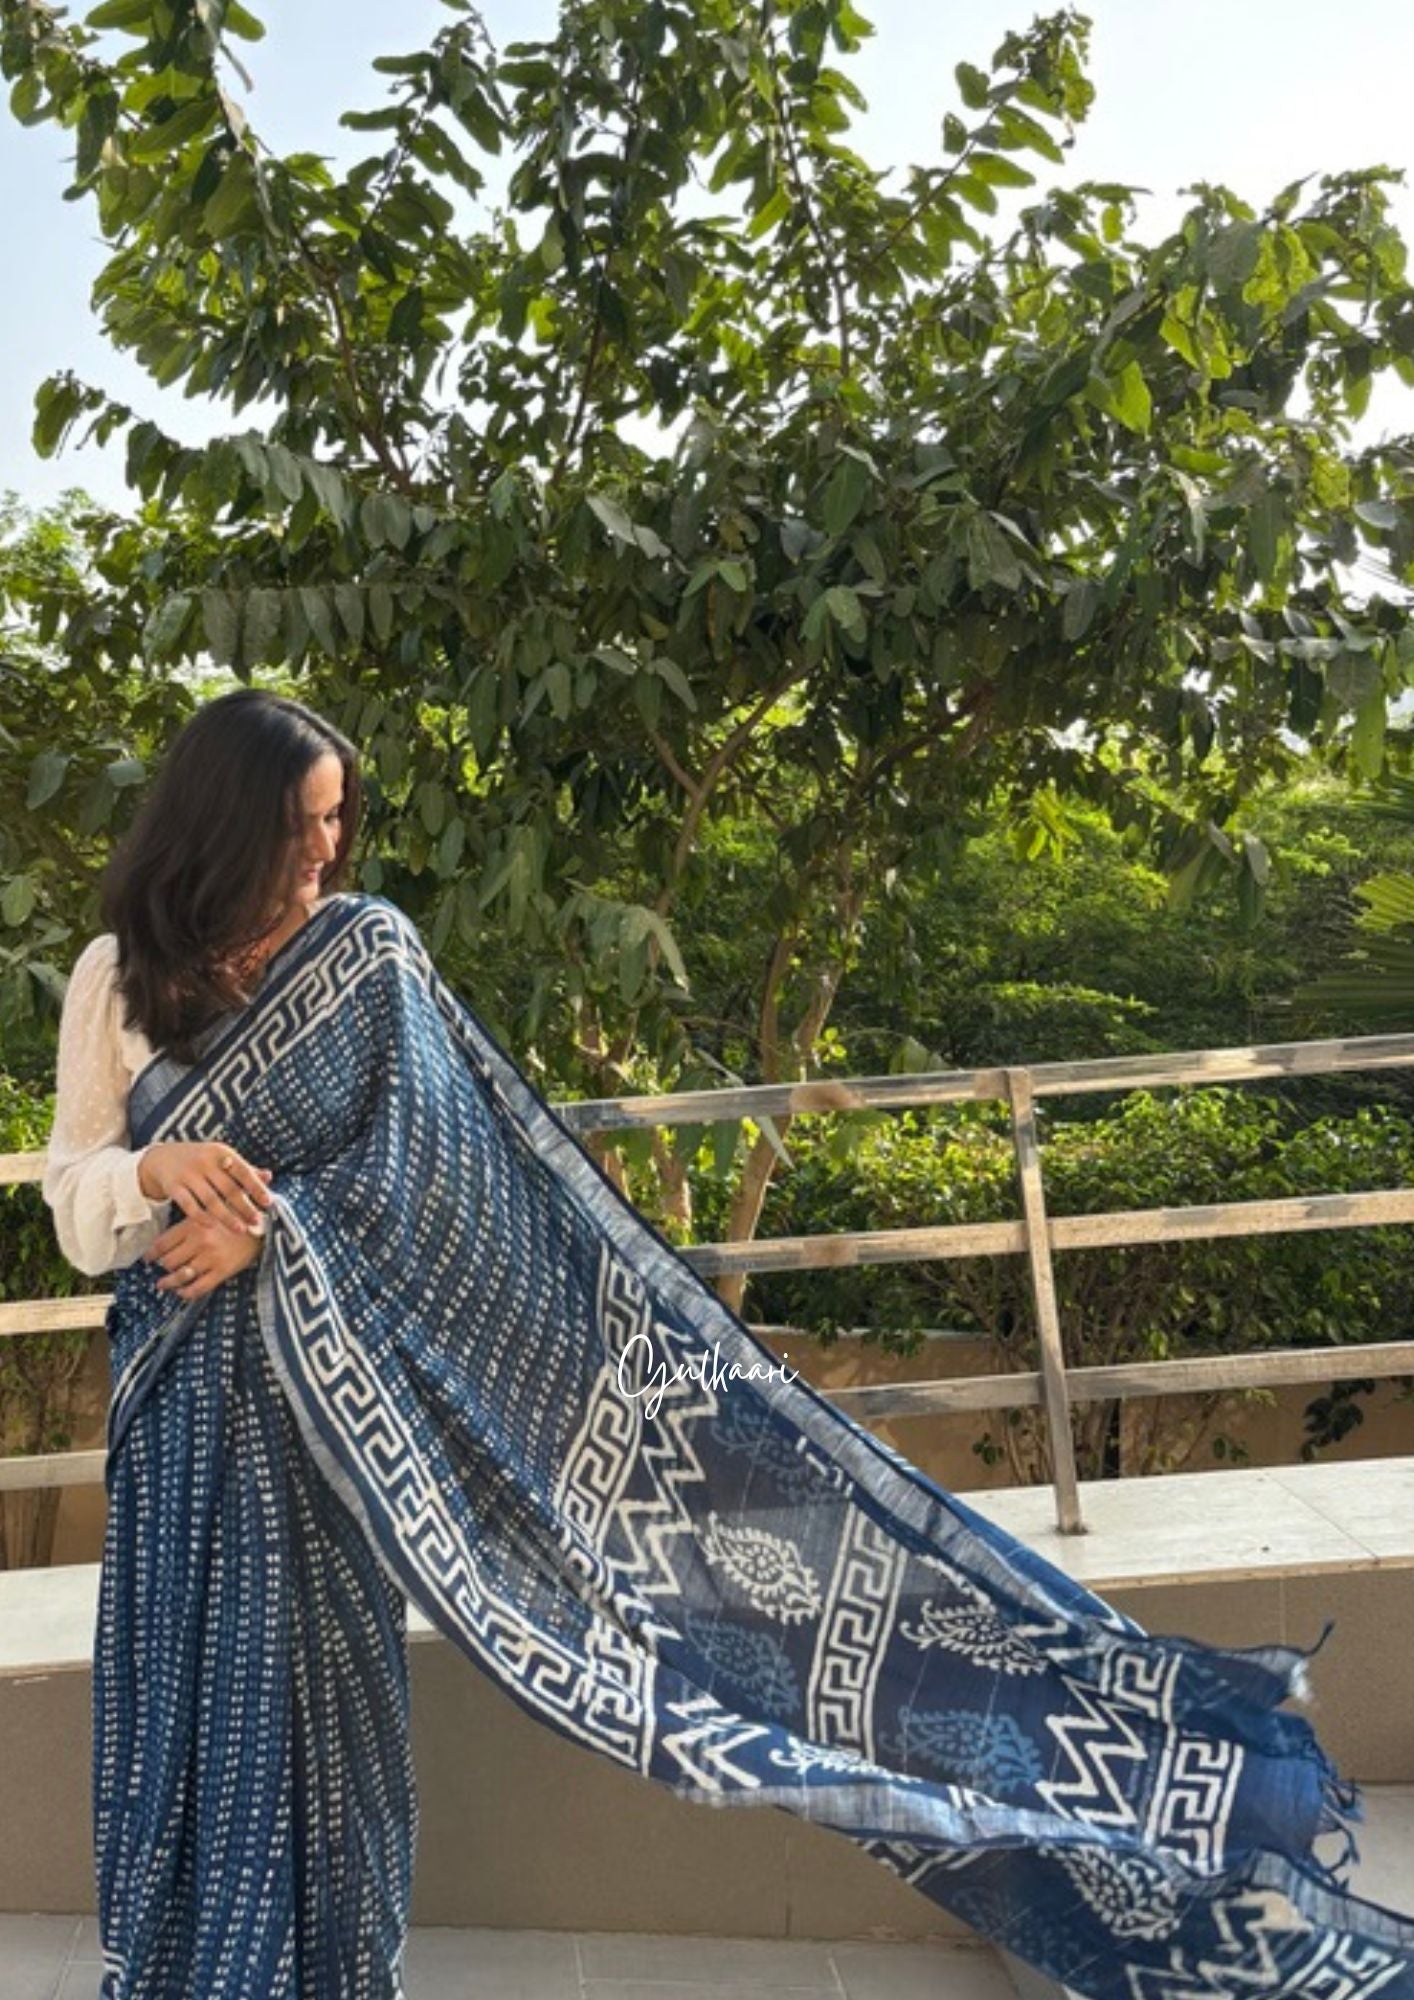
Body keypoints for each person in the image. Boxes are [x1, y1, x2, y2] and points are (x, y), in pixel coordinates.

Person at [43, 688, 1414, 2000]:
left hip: (325, 1427)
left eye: (339, 822)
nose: (326, 853)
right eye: (300, 828)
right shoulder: (118, 978)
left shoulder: (366, 953)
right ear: (223, 826)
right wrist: (158, 1173)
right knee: (184, 1709)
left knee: (325, 1721)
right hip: (181, 1417)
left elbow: (441, 1178)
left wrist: (278, 1230)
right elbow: (75, 1207)